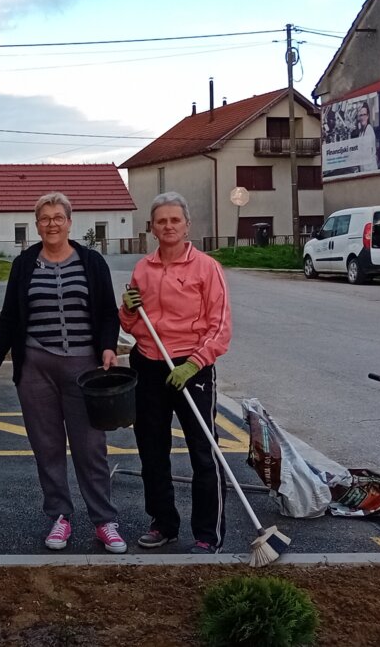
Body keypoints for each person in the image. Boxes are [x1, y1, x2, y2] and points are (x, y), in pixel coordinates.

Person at [0, 192, 126, 554]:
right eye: (44, 218)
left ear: (69, 222)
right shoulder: (24, 264)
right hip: (36, 367)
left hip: (84, 367)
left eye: (58, 217)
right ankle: (59, 516)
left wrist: (108, 345)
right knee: (47, 447)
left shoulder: (91, 262)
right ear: (36, 224)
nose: (51, 224)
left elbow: (109, 312)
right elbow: (10, 317)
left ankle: (104, 520)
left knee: (91, 447)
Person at [119, 192, 231, 554]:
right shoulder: (143, 269)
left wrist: (195, 363)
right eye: (161, 221)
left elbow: (220, 327)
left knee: (203, 451)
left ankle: (207, 534)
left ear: (187, 226)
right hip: (149, 364)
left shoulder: (206, 268)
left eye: (174, 220)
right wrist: (128, 309)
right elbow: (131, 325)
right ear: (152, 228)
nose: (168, 226)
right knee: (152, 451)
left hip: (191, 368)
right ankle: (163, 523)